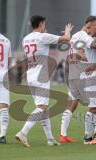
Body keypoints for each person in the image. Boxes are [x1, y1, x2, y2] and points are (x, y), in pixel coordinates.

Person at [15, 15, 73, 147]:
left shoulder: (26, 39)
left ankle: (50, 139)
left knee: (43, 109)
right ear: (41, 24)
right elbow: (66, 39)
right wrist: (67, 30)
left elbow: (38, 45)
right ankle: (23, 132)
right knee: (42, 108)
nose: (45, 26)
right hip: (41, 75)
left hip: (30, 74)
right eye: (44, 24)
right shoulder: (43, 37)